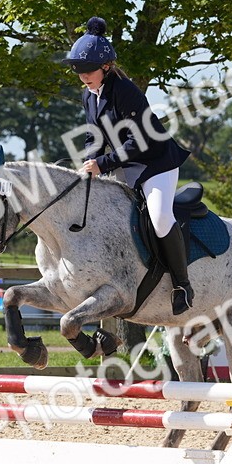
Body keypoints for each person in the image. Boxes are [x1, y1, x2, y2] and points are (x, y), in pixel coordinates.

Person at [62, 16, 194, 315]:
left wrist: (103, 162)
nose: (83, 76)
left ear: (106, 66)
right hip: (126, 166)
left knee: (160, 217)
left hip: (156, 163)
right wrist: (88, 161)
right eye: (79, 71)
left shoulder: (126, 91)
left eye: (88, 70)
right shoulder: (89, 94)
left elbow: (140, 141)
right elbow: (93, 135)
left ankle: (182, 284)